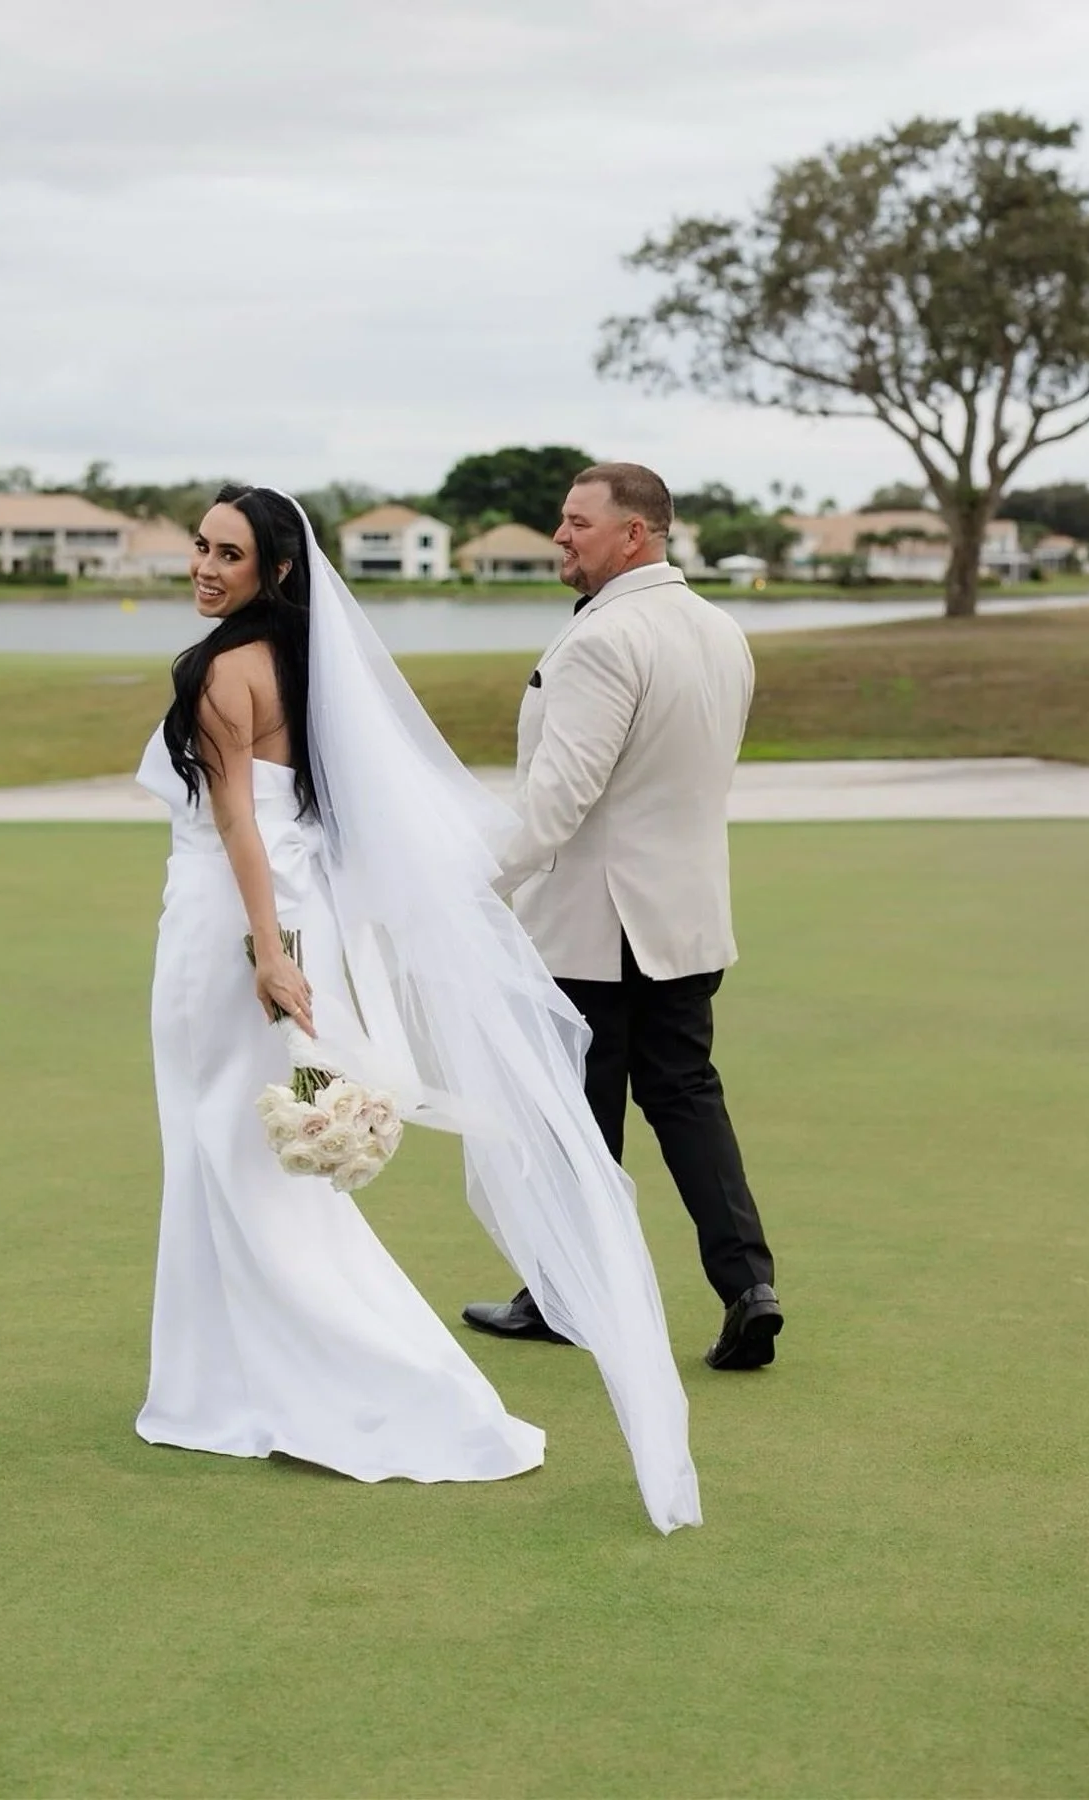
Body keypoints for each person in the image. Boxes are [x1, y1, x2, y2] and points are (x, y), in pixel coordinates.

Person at [134, 484, 700, 1534]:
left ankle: (332, 1376)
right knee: (246, 1150)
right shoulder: (308, 671)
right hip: (300, 936)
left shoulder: (219, 674)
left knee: (227, 1148)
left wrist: (264, 952)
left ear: (275, 572)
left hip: (233, 936)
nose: (205, 567)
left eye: (227, 555)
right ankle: (228, 1377)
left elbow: (243, 837)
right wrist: (297, 950)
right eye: (200, 548)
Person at [462, 462, 783, 1371]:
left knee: (577, 1119)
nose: (560, 536)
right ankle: (748, 1287)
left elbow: (556, 802)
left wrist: (468, 885)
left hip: (597, 929)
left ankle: (564, 1300)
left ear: (633, 535)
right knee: (686, 1100)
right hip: (685, 918)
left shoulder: (604, 641)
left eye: (576, 523)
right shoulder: (722, 631)